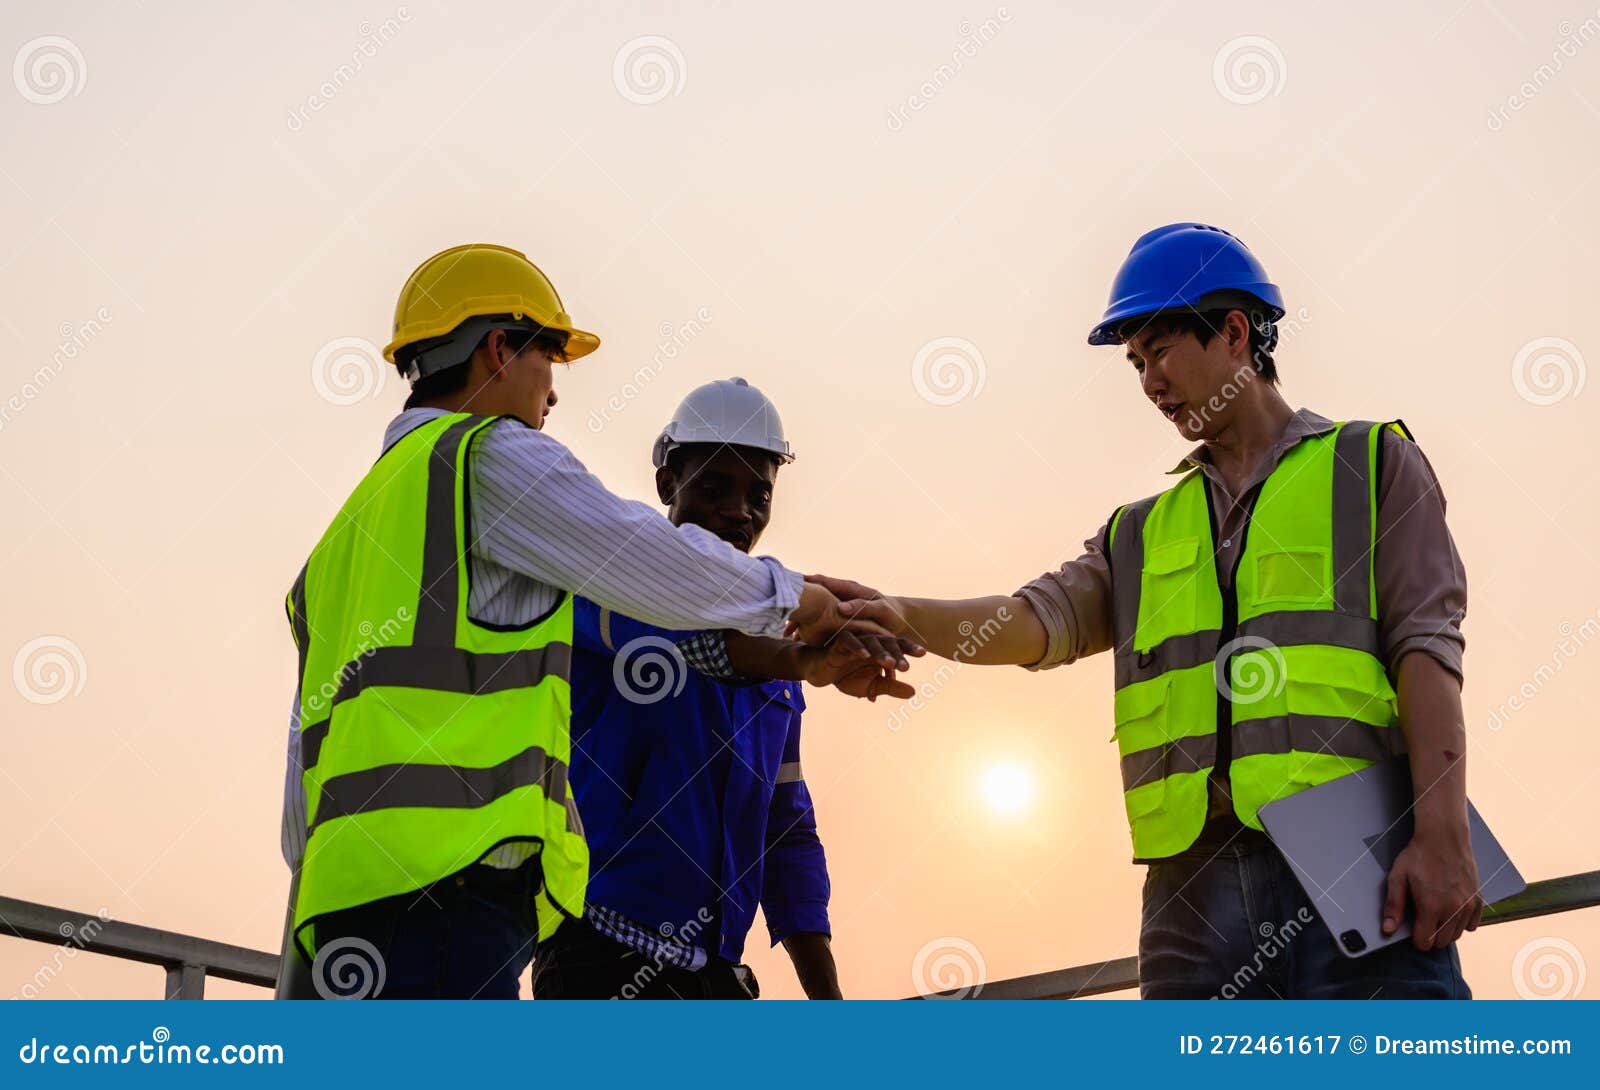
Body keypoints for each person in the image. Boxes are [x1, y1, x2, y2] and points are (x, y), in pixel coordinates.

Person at [823, 223, 1480, 999]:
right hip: (1192, 893)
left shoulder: (1369, 466)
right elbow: (1032, 622)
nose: (1149, 383)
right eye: (1136, 363)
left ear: (1234, 334)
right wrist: (900, 612)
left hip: (1360, 867)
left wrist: (1444, 839)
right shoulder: (1139, 532)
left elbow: (1425, 653)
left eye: (1161, 351)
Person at [280, 244, 900, 999]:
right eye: (551, 360)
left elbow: (300, 786)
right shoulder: (488, 458)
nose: (554, 394)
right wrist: (800, 605)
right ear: (500, 351)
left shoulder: (346, 537)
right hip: (455, 901)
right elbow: (644, 570)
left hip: (337, 907)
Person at [532, 378, 917, 1000]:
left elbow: (786, 830)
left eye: (758, 493)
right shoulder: (608, 589)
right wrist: (801, 655)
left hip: (715, 976)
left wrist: (829, 1001)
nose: (741, 510)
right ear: (667, 486)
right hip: (598, 955)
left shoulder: (781, 674)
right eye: (714, 487)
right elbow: (688, 644)